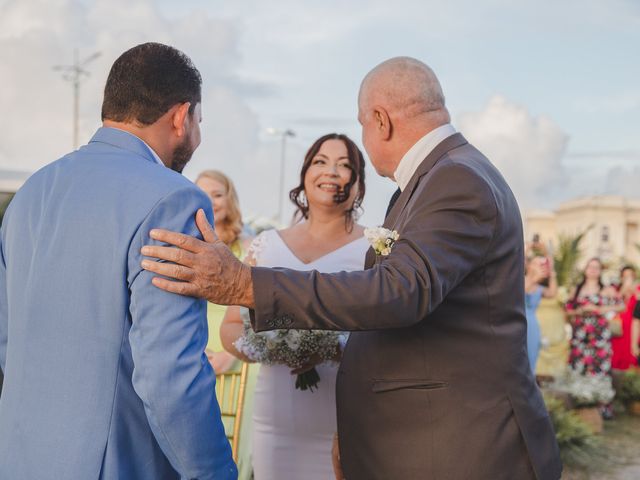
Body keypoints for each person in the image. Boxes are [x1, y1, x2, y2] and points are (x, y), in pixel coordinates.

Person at [141, 57, 562, 479]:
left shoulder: (455, 180)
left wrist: (245, 284)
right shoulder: (436, 180)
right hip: (409, 437)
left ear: (380, 120)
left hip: (459, 447)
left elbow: (398, 292)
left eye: (362, 124)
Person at [0, 43, 236, 479]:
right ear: (181, 117)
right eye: (199, 121)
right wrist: (215, 472)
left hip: (20, 458)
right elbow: (171, 377)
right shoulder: (174, 200)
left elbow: (8, 341)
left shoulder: (29, 195)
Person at [221, 133, 368, 479]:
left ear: (358, 184)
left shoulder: (372, 249)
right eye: (320, 161)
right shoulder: (266, 246)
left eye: (344, 165)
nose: (330, 171)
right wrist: (270, 348)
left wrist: (335, 347)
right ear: (304, 175)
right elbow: (230, 328)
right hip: (276, 422)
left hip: (344, 424)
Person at [195, 170, 251, 374]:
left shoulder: (250, 248)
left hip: (238, 360)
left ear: (230, 200)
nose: (211, 201)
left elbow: (260, 310)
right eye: (202, 194)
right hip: (194, 355)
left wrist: (230, 355)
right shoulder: (184, 247)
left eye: (217, 195)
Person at [565, 258, 625, 418]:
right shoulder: (576, 289)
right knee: (580, 367)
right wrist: (581, 311)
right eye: (590, 267)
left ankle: (601, 408)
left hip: (599, 338)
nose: (592, 270)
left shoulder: (607, 289)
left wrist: (599, 309)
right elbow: (568, 311)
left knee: (599, 369)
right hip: (580, 336)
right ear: (585, 269)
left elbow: (621, 305)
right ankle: (579, 404)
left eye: (596, 267)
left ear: (600, 271)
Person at [524, 253, 558, 373]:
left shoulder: (539, 288)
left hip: (532, 325)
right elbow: (523, 290)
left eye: (542, 265)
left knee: (532, 353)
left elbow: (552, 293)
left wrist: (552, 271)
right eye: (537, 264)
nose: (540, 267)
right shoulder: (519, 281)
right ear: (529, 266)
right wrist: (533, 279)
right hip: (518, 320)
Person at [611, 265, 639, 370]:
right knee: (617, 352)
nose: (627, 278)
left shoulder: (638, 289)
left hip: (633, 328)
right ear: (621, 277)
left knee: (631, 353)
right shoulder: (617, 290)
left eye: (630, 276)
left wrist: (633, 291)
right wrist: (623, 291)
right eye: (625, 276)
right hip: (619, 327)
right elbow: (614, 304)